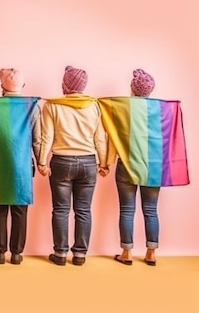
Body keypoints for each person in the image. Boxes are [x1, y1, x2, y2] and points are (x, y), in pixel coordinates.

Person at [38, 66, 107, 266]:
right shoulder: (94, 106)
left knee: (60, 210)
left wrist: (42, 161)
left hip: (61, 161)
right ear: (83, 86)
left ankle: (60, 254)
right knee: (83, 211)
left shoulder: (52, 105)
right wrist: (103, 163)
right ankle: (80, 255)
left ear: (65, 85)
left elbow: (46, 136)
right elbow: (100, 138)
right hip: (88, 162)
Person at [0, 69, 41, 265]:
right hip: (23, 164)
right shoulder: (32, 106)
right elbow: (37, 139)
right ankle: (17, 253)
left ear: (2, 87)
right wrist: (41, 161)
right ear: (23, 86)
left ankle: (0, 252)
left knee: (0, 209)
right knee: (20, 209)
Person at [109, 69, 159, 266]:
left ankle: (126, 253)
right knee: (151, 211)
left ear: (132, 88)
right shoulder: (158, 111)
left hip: (127, 165)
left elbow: (114, 137)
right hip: (153, 167)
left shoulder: (124, 109)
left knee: (127, 210)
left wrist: (106, 163)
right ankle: (151, 254)